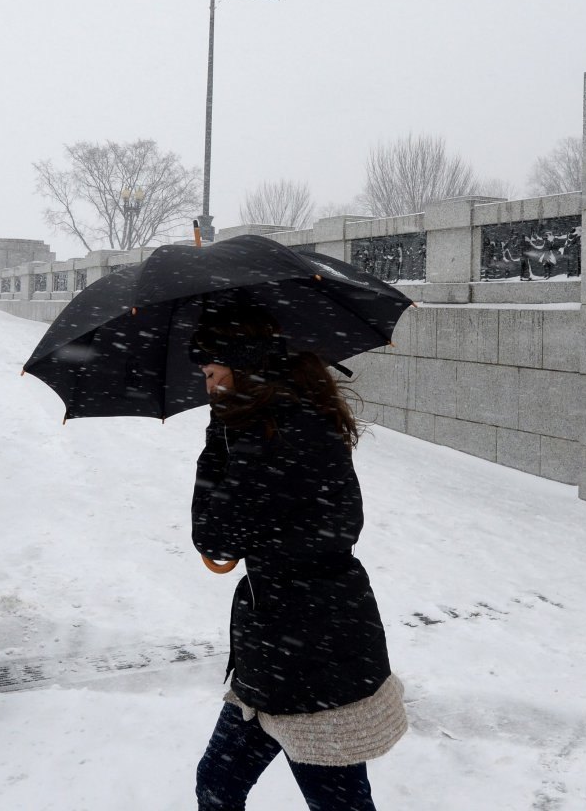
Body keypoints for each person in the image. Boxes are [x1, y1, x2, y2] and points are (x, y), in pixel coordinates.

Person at [189, 302, 406, 811]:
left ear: (241, 365)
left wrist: (215, 440)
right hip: (295, 641)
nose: (208, 387)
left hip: (303, 654)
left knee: (332, 802)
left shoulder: (268, 433)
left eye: (212, 373)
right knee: (218, 783)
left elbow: (214, 538)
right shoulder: (298, 415)